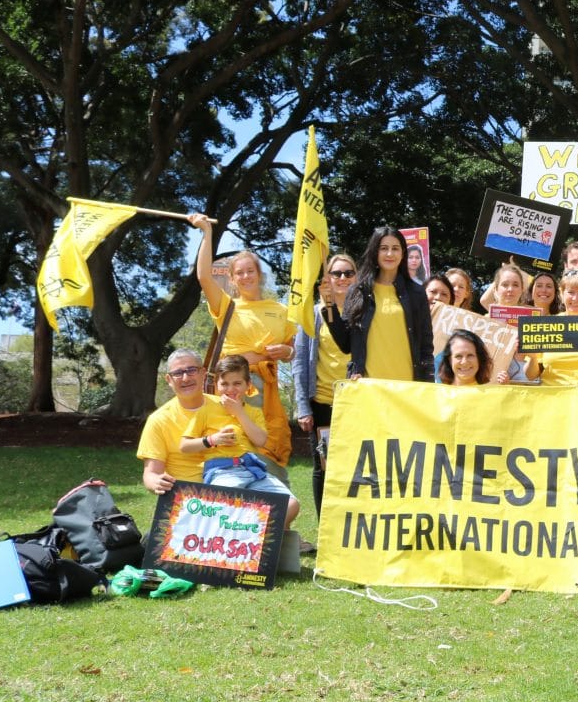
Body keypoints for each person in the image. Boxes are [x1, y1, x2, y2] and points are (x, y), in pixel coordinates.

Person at [188, 214, 296, 480]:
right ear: (232, 279)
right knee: (235, 438)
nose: (246, 276)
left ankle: (272, 491)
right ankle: (234, 488)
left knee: (266, 439)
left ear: (259, 275)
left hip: (267, 389)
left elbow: (294, 350)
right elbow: (203, 276)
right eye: (240, 273)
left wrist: (288, 352)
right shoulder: (227, 306)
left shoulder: (281, 310)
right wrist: (206, 233)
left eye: (250, 271)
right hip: (234, 385)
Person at [181, 355, 300, 528]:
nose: (230, 389)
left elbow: (260, 440)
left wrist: (239, 413)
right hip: (223, 471)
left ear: (247, 384)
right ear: (216, 385)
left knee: (290, 504)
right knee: (226, 508)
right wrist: (212, 440)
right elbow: (185, 446)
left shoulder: (253, 412)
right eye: (225, 384)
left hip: (254, 470)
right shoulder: (206, 410)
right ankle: (240, 540)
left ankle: (257, 539)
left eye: (237, 383)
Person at [325, 226, 433, 382]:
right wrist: (329, 304)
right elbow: (345, 344)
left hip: (408, 388)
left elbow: (426, 345)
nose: (390, 254)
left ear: (403, 253)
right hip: (368, 388)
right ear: (375, 252)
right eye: (384, 248)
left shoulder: (416, 293)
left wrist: (428, 383)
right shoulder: (357, 291)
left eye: (395, 248)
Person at [293, 252, 356, 516]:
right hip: (322, 405)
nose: (342, 278)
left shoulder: (363, 311)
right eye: (336, 273)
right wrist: (303, 407)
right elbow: (298, 361)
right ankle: (324, 529)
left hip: (356, 405)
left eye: (348, 273)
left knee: (356, 467)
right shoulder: (315, 313)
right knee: (324, 467)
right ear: (327, 278)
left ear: (357, 277)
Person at [138, 349, 222, 495]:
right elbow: (151, 473)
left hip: (230, 492)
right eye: (177, 373)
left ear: (203, 373)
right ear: (169, 380)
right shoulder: (158, 420)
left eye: (191, 370)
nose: (185, 378)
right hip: (185, 497)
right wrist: (155, 482)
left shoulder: (226, 407)